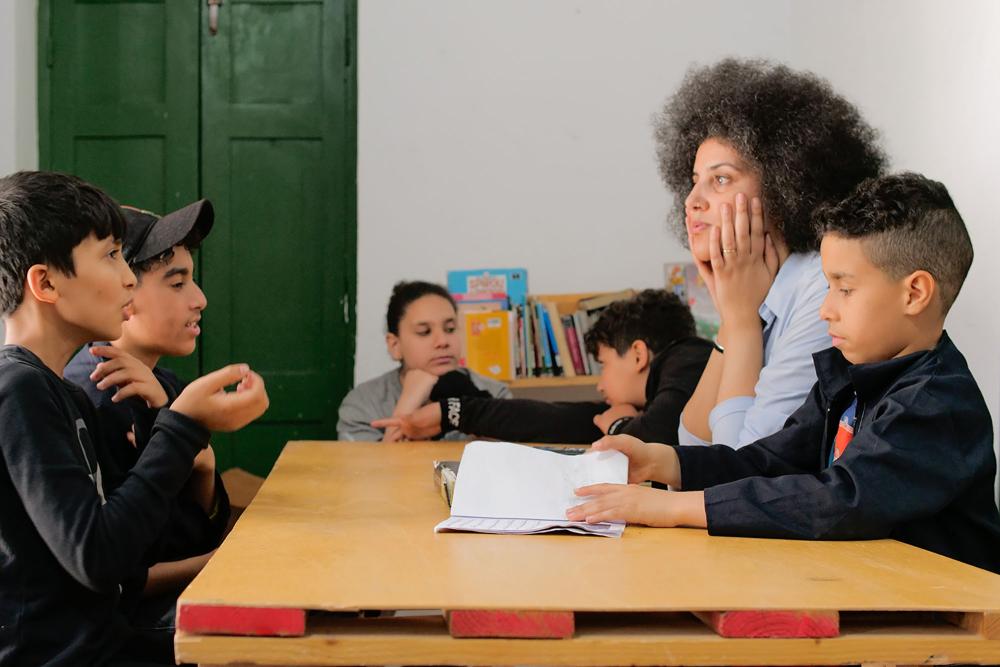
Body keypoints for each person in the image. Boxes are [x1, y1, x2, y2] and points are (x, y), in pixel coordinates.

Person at [567, 173, 1000, 574]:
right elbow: (769, 460)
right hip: (868, 583)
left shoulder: (937, 402)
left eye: (845, 289)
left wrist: (673, 510)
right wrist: (664, 462)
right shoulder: (850, 377)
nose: (825, 309)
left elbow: (839, 499)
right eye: (828, 287)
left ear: (915, 293)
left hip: (941, 610)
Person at [0, 171, 269, 666]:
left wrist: (183, 432)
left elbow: (115, 562)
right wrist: (182, 425)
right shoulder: (20, 391)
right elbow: (100, 561)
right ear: (46, 283)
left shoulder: (59, 393)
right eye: (110, 256)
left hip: (104, 640)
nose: (127, 277)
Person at [654, 58, 885, 448]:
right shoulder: (755, 285)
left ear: (784, 185)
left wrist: (741, 321)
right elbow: (691, 444)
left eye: (721, 179)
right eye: (694, 182)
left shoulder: (822, 287)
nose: (692, 201)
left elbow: (741, 464)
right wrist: (731, 317)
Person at [64, 200, 227, 637]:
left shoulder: (164, 383)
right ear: (125, 293)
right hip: (127, 629)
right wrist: (222, 560)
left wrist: (204, 461)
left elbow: (196, 529)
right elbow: (122, 573)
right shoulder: (96, 397)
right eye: (177, 284)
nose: (200, 300)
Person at [373, 290, 711, 444]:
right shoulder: (655, 395)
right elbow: (559, 419)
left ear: (638, 355)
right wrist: (452, 412)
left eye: (604, 365)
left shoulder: (690, 356)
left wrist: (620, 425)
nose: (600, 384)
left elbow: (657, 438)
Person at [337, 280, 511, 441]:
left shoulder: (494, 393)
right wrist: (408, 402)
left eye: (450, 329)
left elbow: (508, 464)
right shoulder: (363, 404)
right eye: (424, 332)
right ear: (395, 345)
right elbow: (367, 472)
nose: (443, 341)